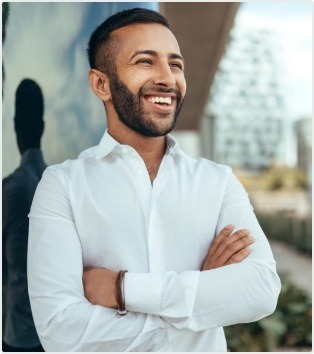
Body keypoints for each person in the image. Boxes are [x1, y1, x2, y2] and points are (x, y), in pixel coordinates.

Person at [27, 8, 281, 352]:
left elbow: (261, 290)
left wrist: (122, 290)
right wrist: (200, 297)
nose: (167, 78)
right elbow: (61, 332)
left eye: (175, 64)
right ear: (101, 84)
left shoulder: (217, 182)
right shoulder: (62, 186)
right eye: (145, 61)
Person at [2, 79, 46, 352]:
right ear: (43, 127)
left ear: (15, 127)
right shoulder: (60, 184)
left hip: (20, 337)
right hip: (56, 336)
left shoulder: (10, 190)